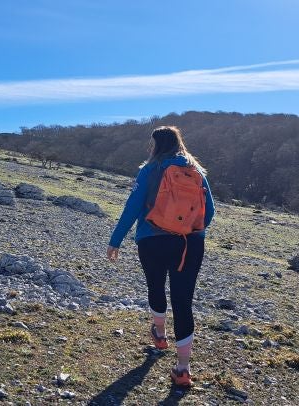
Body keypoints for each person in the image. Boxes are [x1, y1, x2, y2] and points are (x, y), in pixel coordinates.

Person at [106, 125, 215, 387]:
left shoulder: (149, 169)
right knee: (183, 300)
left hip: (152, 239)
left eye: (151, 143)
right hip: (190, 244)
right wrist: (186, 229)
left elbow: (132, 206)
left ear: (157, 145)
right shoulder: (196, 171)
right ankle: (183, 369)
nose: (149, 147)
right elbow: (209, 213)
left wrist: (116, 240)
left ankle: (160, 334)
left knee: (155, 287)